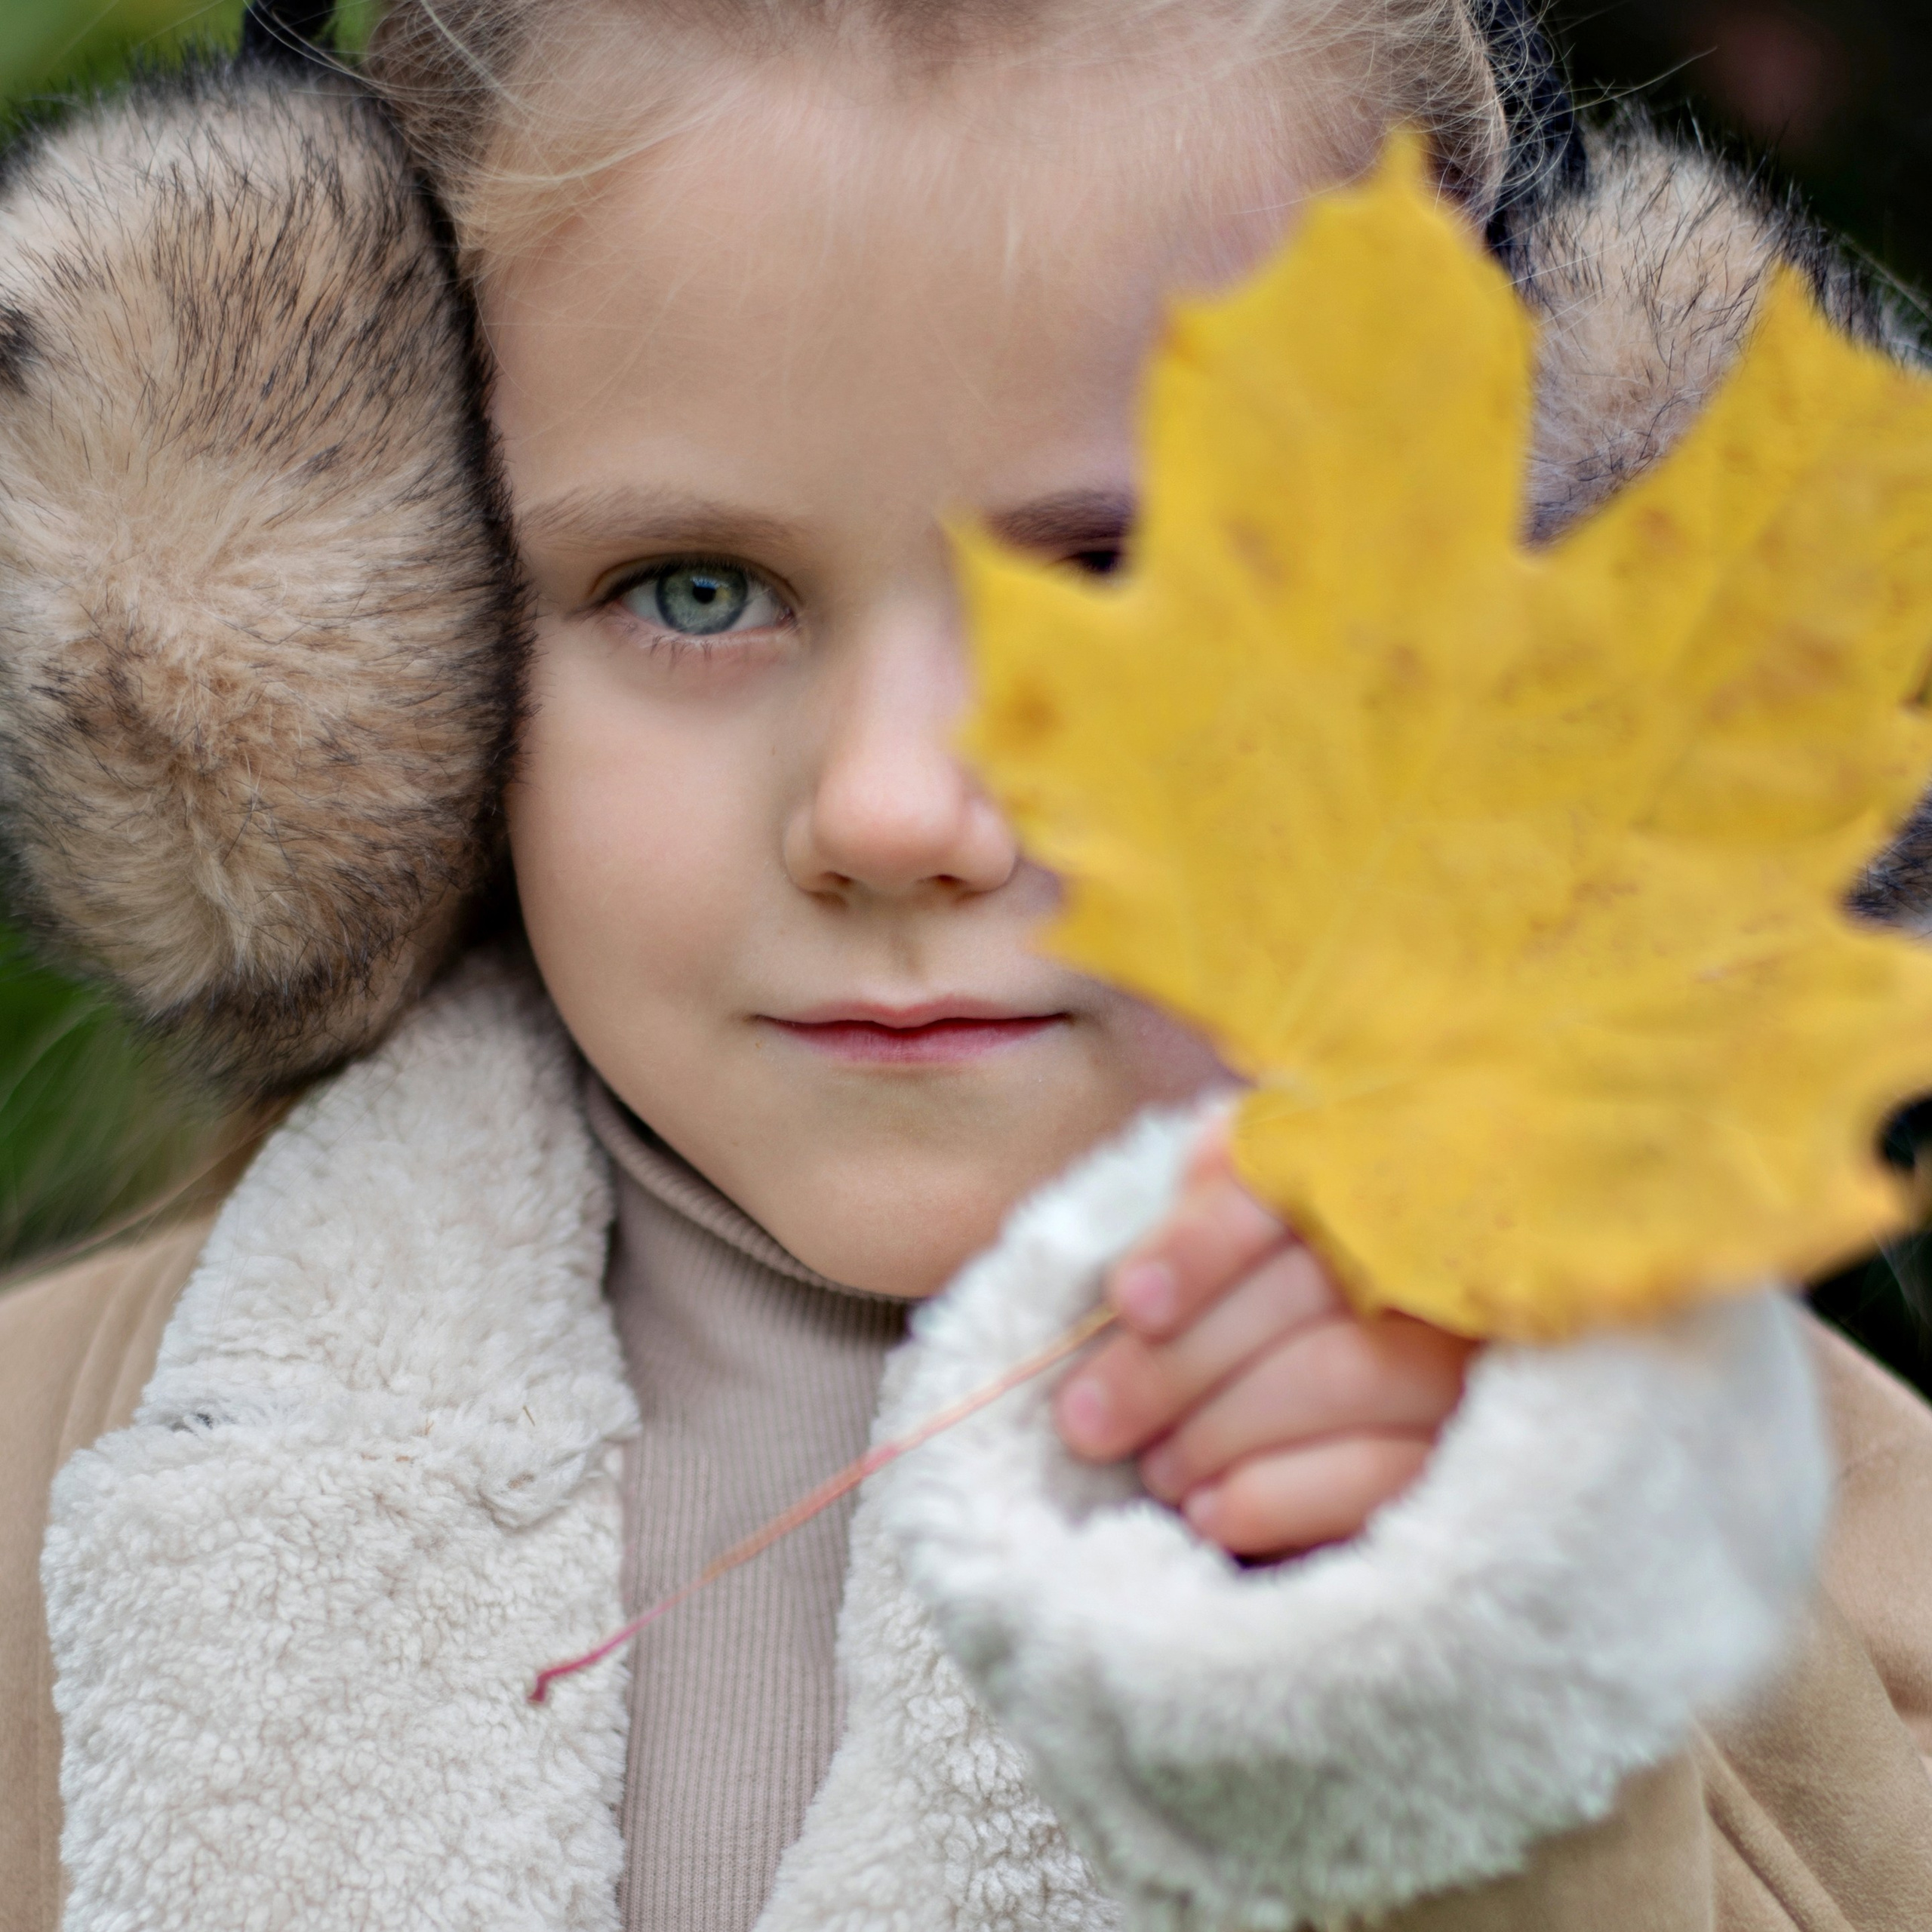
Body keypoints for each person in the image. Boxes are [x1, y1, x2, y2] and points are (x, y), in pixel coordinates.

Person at [1, 2, 1929, 1926]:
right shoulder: (52, 1467)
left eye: (1113, 579)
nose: (893, 804)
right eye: (694, 590)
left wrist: (1485, 1666)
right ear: (369, 640)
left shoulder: (1774, 1520)